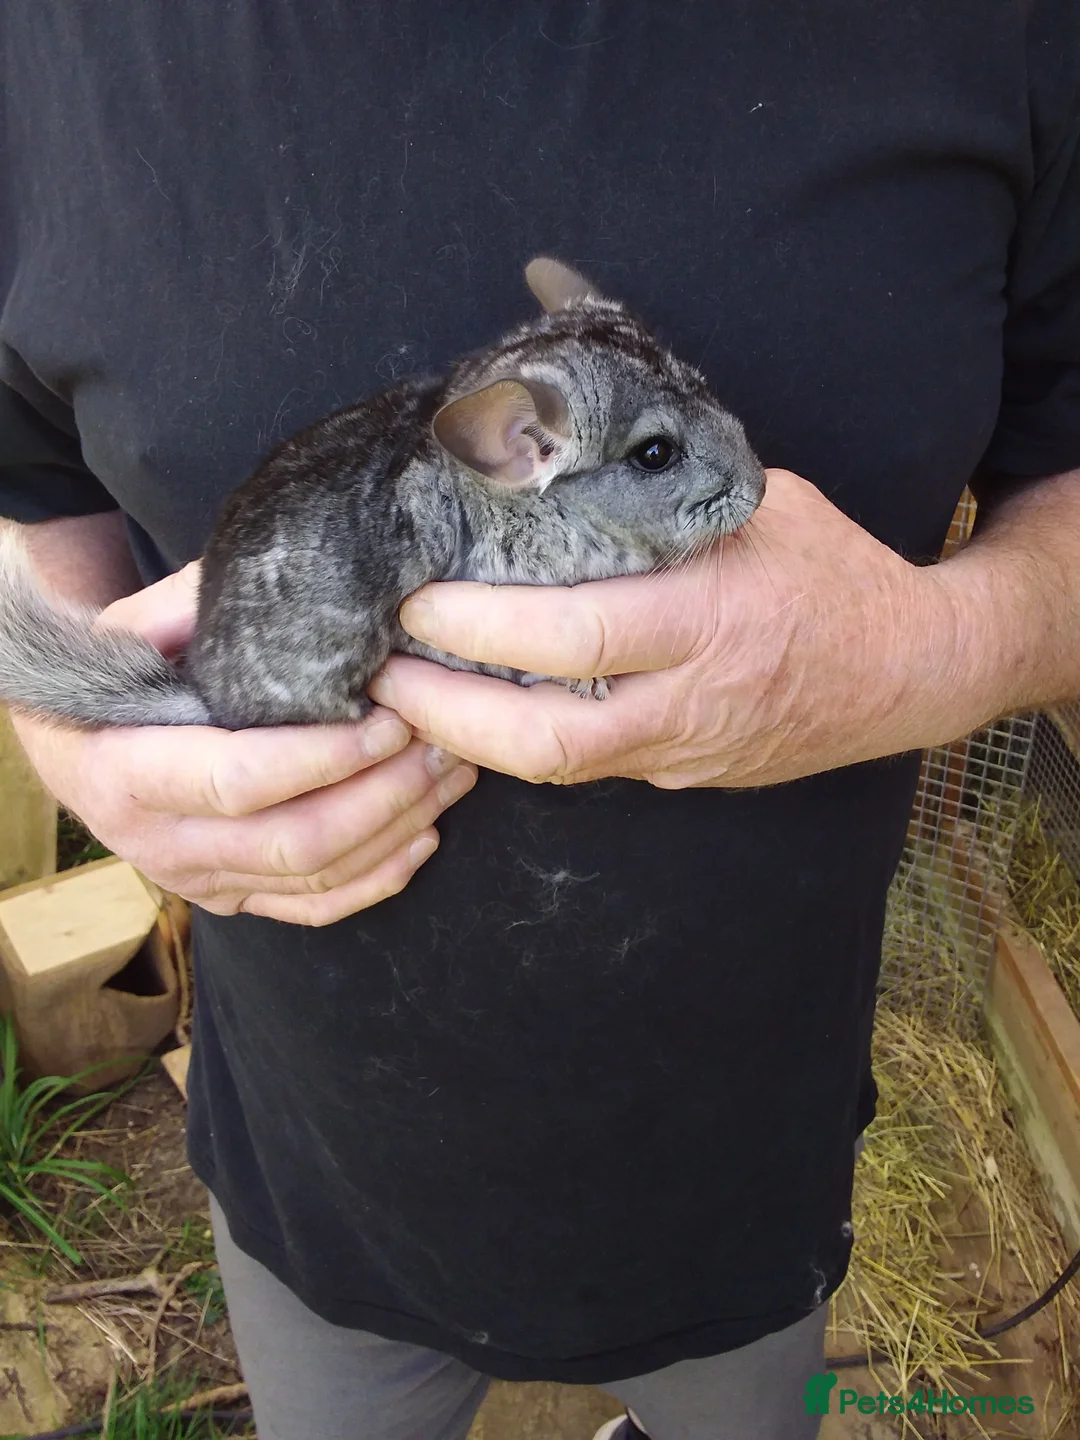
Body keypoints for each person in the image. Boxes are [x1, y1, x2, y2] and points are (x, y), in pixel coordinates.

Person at [2, 5, 1078, 1438]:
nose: (746, 485)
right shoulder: (45, 47)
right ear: (522, 449)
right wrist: (73, 732)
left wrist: (933, 649)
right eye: (665, 457)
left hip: (743, 1169)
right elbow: (27, 478)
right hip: (320, 1165)